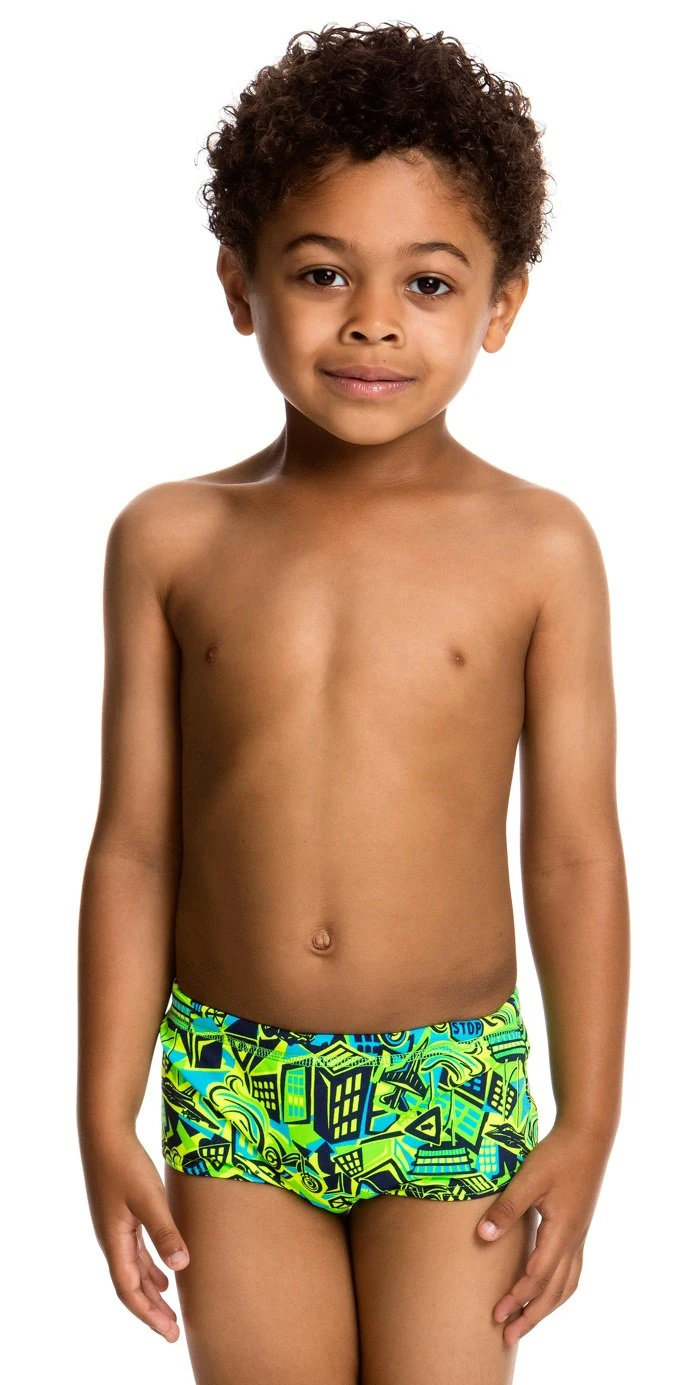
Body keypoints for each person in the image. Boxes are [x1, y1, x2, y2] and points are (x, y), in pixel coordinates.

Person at [77, 20, 630, 1385]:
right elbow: (136, 846)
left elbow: (573, 853)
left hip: (451, 1083)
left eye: (429, 283)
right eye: (323, 272)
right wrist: (102, 1109)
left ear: (502, 305)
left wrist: (591, 1117)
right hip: (234, 1083)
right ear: (241, 284)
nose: (373, 319)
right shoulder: (171, 540)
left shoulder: (540, 547)